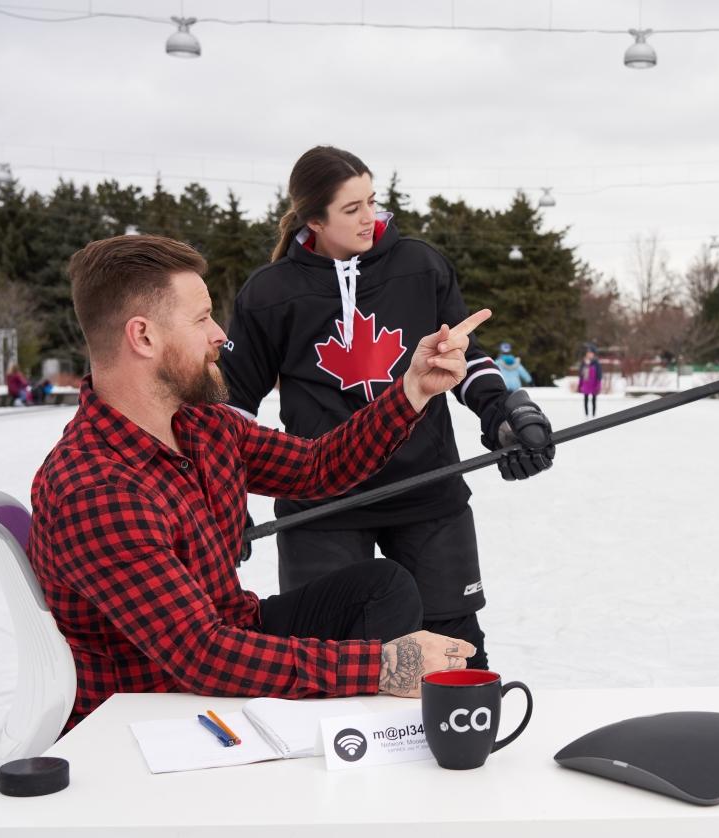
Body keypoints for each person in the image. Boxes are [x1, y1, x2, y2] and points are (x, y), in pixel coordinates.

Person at [29, 234, 483, 731]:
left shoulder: (201, 427)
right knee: (376, 655)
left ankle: (355, 739)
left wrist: (412, 390)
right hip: (156, 715)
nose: (220, 334)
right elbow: (202, 654)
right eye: (201, 319)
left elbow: (317, 467)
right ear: (143, 337)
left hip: (220, 641)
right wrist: (383, 667)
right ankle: (344, 748)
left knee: (382, 588)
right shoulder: (96, 489)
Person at [219, 146, 556, 671]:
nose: (369, 218)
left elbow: (461, 362)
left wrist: (507, 415)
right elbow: (234, 406)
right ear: (314, 218)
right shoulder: (270, 294)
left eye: (372, 202)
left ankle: (461, 747)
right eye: (351, 209)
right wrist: (223, 496)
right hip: (321, 506)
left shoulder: (419, 266)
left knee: (455, 649)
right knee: (327, 655)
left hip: (426, 490)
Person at [577, 345, 603, 417]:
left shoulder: (596, 363)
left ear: (593, 354)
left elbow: (599, 375)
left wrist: (598, 385)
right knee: (585, 400)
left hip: (594, 385)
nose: (589, 354)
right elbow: (581, 375)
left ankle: (594, 415)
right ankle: (586, 416)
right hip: (586, 385)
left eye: (590, 353)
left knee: (594, 400)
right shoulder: (584, 363)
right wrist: (580, 385)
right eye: (588, 353)